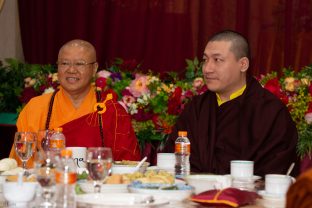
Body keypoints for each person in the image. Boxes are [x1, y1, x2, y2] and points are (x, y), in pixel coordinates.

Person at [164, 30, 300, 177]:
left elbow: (277, 169)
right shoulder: (196, 109)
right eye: (205, 60)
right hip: (193, 194)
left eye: (217, 60)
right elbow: (173, 160)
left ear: (243, 64)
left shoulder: (270, 111)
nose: (207, 69)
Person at [10, 39, 141, 167]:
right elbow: (20, 164)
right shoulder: (35, 108)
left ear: (94, 68)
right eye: (65, 63)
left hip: (98, 185)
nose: (71, 70)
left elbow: (127, 166)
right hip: (46, 184)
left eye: (79, 64)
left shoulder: (111, 111)